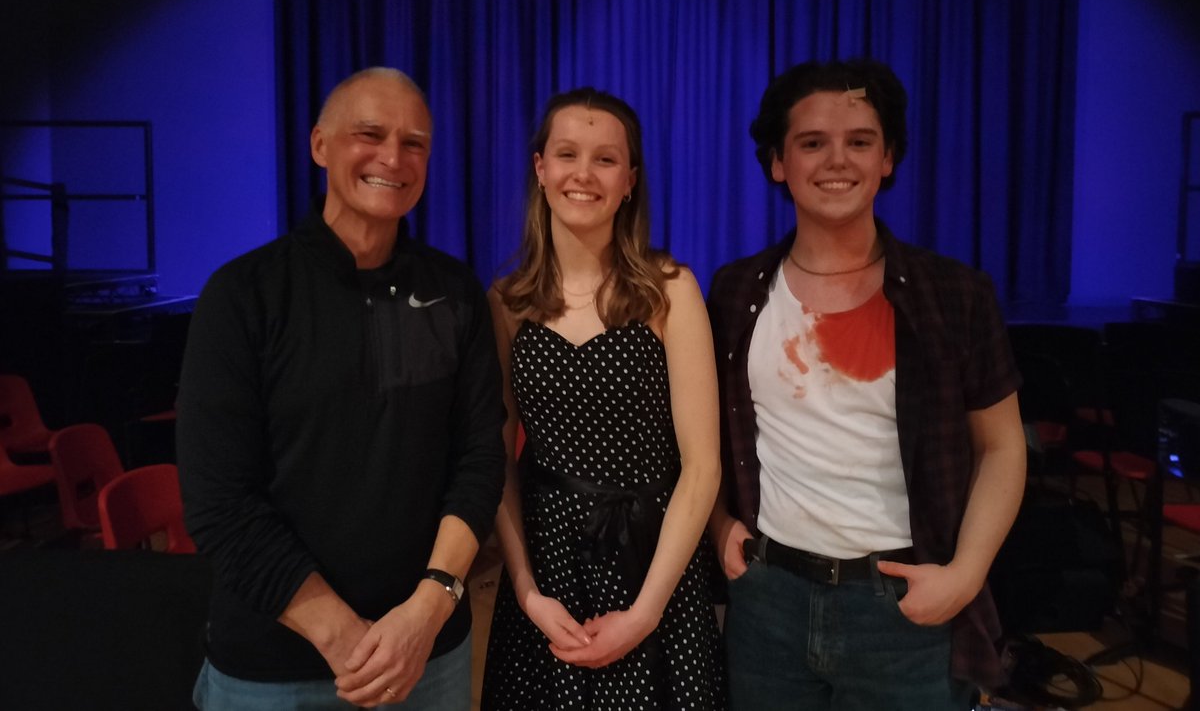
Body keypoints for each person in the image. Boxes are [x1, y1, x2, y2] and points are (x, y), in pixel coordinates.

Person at [176, 68, 506, 710]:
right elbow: (220, 499)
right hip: (275, 670)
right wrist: (347, 639)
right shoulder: (243, 296)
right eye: (370, 134)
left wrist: (428, 609)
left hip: (428, 653)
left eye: (414, 143)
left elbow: (478, 460)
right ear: (321, 145)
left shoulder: (456, 291)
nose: (393, 157)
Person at [707, 59, 1027, 710]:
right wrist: (717, 527)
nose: (837, 161)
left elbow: (1002, 446)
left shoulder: (954, 294)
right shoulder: (736, 290)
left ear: (887, 159)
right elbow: (703, 435)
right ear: (778, 162)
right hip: (768, 601)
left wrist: (966, 576)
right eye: (812, 142)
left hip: (905, 606)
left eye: (859, 141)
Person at [480, 88, 727, 710]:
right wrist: (527, 590)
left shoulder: (671, 291)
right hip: (549, 568)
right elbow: (498, 460)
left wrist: (645, 613)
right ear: (540, 169)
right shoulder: (507, 302)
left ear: (630, 181)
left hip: (653, 564)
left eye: (605, 159)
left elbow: (701, 467)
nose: (583, 174)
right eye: (567, 154)